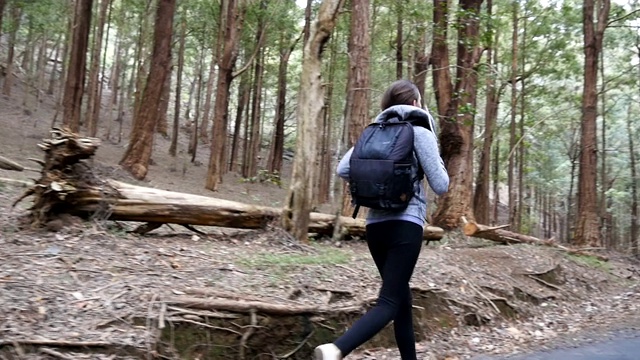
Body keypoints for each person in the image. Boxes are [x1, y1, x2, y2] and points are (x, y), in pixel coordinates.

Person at [314, 80, 450, 360]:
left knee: (401, 299)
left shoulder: (373, 132)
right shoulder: (419, 131)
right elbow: (441, 185)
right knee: (389, 301)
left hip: (375, 226)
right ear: (415, 104)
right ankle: (337, 348)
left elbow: (343, 169)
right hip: (406, 224)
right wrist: (434, 152)